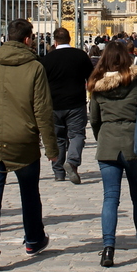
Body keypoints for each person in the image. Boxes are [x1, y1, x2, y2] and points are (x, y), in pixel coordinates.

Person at [0, 18, 58, 272]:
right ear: (28, 39)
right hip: (24, 140)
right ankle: (33, 239)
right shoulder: (34, 67)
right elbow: (43, 111)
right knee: (29, 193)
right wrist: (52, 149)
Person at [88, 40, 137, 267]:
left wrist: (103, 137)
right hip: (134, 144)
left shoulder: (97, 84)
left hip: (108, 144)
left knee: (110, 198)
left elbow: (94, 119)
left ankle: (108, 248)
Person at [41, 27, 94, 183]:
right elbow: (90, 78)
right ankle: (72, 162)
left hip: (54, 104)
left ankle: (58, 172)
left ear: (55, 41)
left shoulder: (47, 59)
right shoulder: (80, 56)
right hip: (76, 103)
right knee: (77, 135)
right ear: (70, 39)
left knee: (59, 138)